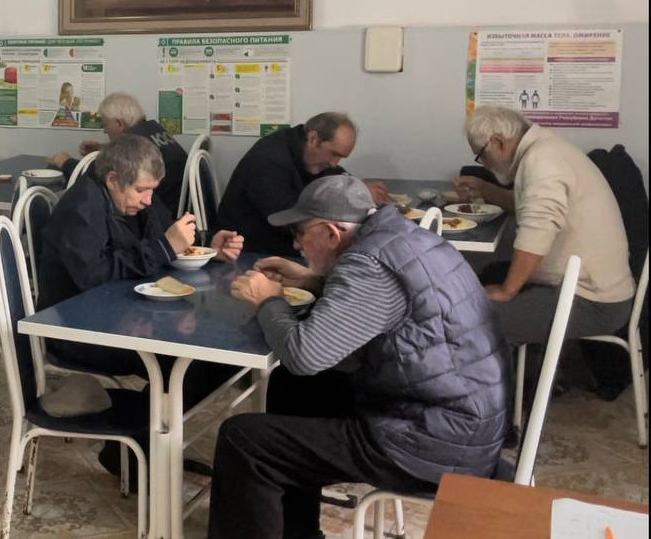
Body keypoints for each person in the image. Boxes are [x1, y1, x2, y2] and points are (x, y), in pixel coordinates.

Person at [212, 175, 508, 539]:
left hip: (436, 442)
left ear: (331, 233)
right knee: (294, 385)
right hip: (462, 416)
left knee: (245, 442)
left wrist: (268, 300)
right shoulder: (405, 237)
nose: (296, 244)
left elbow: (305, 354)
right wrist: (312, 280)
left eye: (300, 233)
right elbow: (388, 303)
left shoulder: (368, 265)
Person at [37, 135, 244, 477]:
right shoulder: (80, 208)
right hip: (77, 330)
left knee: (213, 358)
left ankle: (139, 448)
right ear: (112, 179)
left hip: (119, 313)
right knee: (182, 363)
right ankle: (135, 455)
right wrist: (164, 247)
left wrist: (209, 244)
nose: (148, 200)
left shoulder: (135, 199)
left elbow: (166, 235)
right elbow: (95, 276)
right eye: (141, 191)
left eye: (152, 190)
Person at [454, 106, 635, 345]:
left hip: (593, 301)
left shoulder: (542, 161)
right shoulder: (547, 148)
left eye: (481, 155)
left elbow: (537, 230)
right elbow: (526, 206)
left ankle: (492, 365)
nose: (484, 164)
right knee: (477, 281)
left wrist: (508, 290)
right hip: (583, 288)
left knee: (470, 323)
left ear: (498, 142)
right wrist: (484, 188)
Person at [215, 112, 389, 256]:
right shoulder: (268, 159)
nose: (334, 163)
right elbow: (286, 216)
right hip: (249, 249)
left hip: (279, 241)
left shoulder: (307, 151)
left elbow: (331, 175)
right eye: (334, 154)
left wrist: (357, 189)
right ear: (313, 138)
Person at [48, 92, 188, 213]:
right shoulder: (153, 129)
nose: (105, 130)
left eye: (106, 124)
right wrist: (105, 149)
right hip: (179, 205)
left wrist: (65, 162)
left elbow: (95, 177)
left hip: (156, 211)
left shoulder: (134, 144)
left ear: (119, 124)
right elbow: (141, 155)